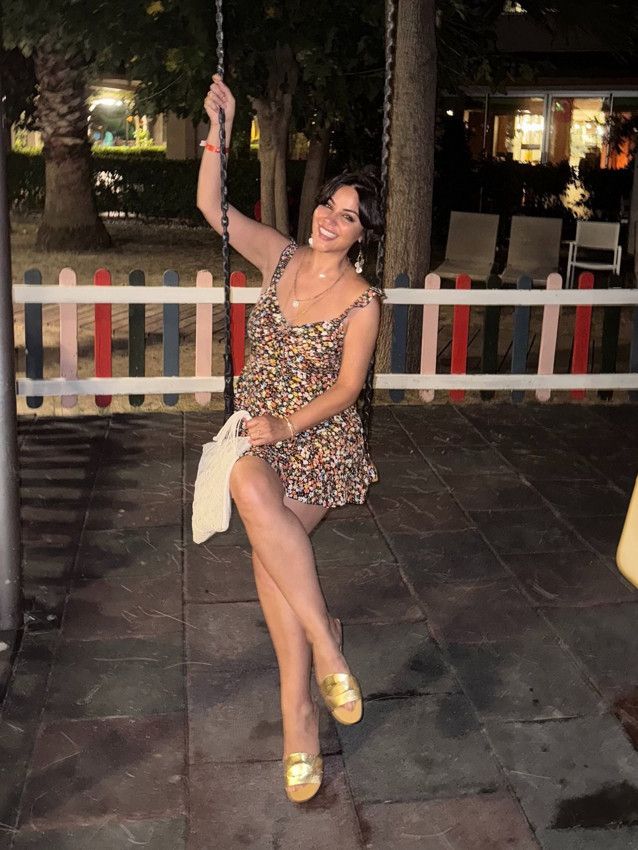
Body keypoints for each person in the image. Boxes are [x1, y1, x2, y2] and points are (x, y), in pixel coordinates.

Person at [197, 74, 383, 804]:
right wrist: (219, 132)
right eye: (329, 205)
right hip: (258, 437)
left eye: (347, 216)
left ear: (362, 235)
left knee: (269, 553)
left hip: (319, 444)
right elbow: (212, 208)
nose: (329, 220)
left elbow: (347, 390)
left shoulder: (363, 301)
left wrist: (285, 424)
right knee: (252, 493)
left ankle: (298, 713)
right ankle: (327, 644)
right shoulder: (278, 256)